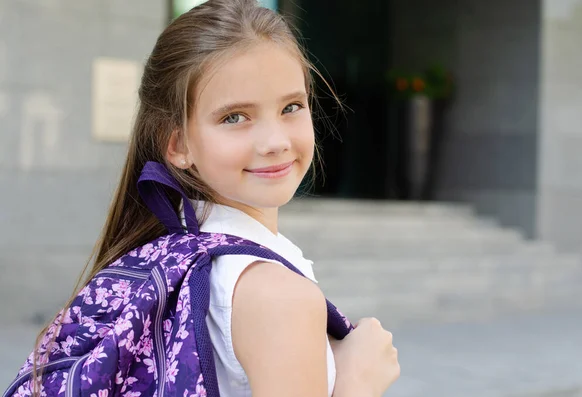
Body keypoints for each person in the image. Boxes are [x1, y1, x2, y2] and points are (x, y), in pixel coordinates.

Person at [24, 0, 400, 396]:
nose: (275, 141)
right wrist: (358, 381)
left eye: (291, 106)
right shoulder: (276, 296)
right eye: (234, 117)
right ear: (178, 145)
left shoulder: (169, 254)